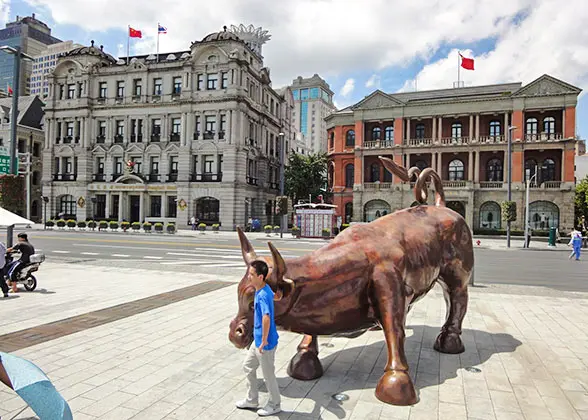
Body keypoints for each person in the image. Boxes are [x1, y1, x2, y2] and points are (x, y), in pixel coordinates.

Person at [236, 260, 281, 416]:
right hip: (258, 341)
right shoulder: (264, 289)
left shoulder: (262, 295)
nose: (249, 276)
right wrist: (277, 297)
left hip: (265, 344)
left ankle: (275, 404)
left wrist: (263, 341)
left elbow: (266, 317)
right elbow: (273, 295)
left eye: (252, 274)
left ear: (261, 277)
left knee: (268, 376)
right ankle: (252, 399)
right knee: (248, 366)